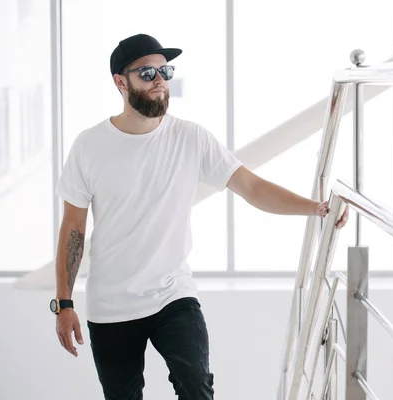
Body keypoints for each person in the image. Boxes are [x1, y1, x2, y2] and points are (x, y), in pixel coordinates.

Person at [50, 33, 349, 400]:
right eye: (147, 73)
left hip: (172, 294)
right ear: (120, 82)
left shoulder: (190, 138)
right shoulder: (90, 146)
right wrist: (64, 303)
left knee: (196, 388)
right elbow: (73, 228)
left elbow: (251, 187)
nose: (160, 80)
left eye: (165, 71)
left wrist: (314, 208)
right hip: (111, 305)